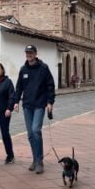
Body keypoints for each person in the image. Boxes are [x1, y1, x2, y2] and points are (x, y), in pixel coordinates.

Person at [13, 45, 56, 174]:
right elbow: (19, 87)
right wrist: (15, 101)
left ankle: (40, 161)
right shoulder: (23, 69)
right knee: (30, 134)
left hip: (39, 104)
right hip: (27, 105)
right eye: (27, 52)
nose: (29, 54)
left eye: (31, 52)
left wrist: (50, 102)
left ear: (35, 53)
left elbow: (50, 85)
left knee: (36, 130)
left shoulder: (43, 68)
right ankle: (35, 159)